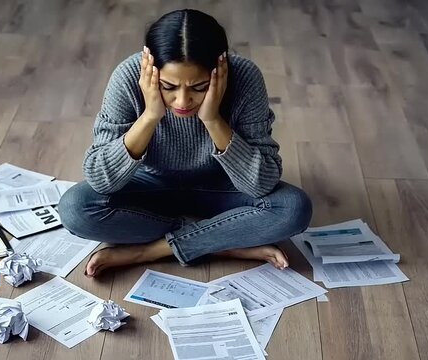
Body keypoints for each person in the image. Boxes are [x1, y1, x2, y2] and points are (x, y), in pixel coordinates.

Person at [58, 9, 312, 277]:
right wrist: (150, 116)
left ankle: (152, 250)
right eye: (169, 87)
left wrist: (213, 119)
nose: (182, 102)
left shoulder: (245, 78)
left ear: (219, 70)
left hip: (222, 186)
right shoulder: (128, 76)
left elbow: (261, 184)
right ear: (151, 70)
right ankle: (222, 240)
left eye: (199, 87)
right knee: (75, 209)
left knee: (293, 209)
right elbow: (101, 179)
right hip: (149, 186)